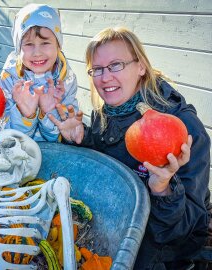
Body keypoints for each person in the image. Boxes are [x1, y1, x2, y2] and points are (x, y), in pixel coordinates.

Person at [49, 27, 211, 269]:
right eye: (98, 69)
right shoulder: (106, 113)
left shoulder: (183, 129)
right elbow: (109, 161)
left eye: (116, 65)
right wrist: (79, 138)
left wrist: (163, 191)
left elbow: (184, 231)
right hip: (119, 223)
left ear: (141, 66)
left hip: (166, 251)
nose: (105, 78)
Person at [0, 4, 78, 142]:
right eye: (28, 44)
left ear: (58, 45)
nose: (37, 53)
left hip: (53, 152)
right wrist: (25, 114)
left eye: (45, 43)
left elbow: (66, 134)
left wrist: (49, 113)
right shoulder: (10, 78)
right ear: (18, 48)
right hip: (14, 152)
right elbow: (4, 133)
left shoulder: (66, 80)